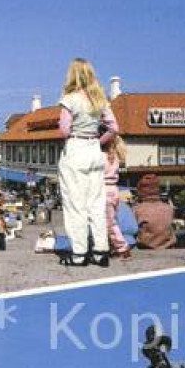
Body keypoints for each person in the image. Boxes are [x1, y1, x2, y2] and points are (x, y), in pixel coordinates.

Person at [57, 57, 118, 266]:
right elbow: (114, 128)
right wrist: (98, 141)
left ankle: (79, 253)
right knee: (96, 204)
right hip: (94, 150)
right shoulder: (100, 99)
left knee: (75, 205)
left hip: (75, 150)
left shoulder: (70, 99)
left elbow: (64, 130)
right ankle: (101, 251)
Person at [103, 136, 132, 260]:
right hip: (114, 189)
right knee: (111, 220)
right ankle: (113, 247)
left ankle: (122, 248)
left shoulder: (101, 156)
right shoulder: (114, 157)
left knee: (109, 223)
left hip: (104, 189)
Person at [133, 174, 176, 249]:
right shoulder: (169, 208)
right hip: (168, 248)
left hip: (145, 248)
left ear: (140, 191)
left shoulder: (137, 210)